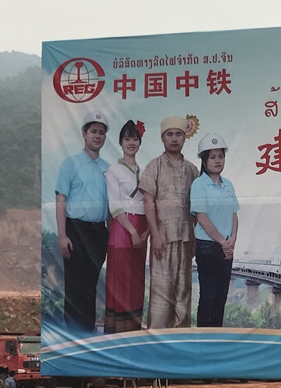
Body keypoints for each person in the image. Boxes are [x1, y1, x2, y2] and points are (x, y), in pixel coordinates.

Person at [139, 115, 200, 329]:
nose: (174, 139)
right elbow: (148, 201)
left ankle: (180, 338)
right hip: (162, 238)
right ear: (162, 138)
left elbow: (196, 208)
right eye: (169, 134)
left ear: (184, 138)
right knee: (161, 290)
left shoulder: (192, 170)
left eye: (178, 134)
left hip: (185, 237)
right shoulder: (153, 166)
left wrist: (194, 237)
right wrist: (155, 235)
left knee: (183, 290)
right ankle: (156, 338)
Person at [55, 111, 110, 333]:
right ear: (84, 134)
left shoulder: (109, 168)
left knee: (90, 286)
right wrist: (62, 235)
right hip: (75, 231)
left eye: (101, 132)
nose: (97, 136)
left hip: (99, 232)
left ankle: (86, 337)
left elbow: (113, 206)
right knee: (75, 287)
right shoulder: (70, 164)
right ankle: (72, 340)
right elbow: (60, 200)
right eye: (93, 131)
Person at [190, 133, 240, 327]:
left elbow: (234, 215)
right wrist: (222, 242)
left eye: (221, 156)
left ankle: (217, 341)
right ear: (204, 160)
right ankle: (202, 345)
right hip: (207, 248)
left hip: (227, 248)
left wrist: (232, 239)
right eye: (213, 157)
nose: (218, 161)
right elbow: (201, 218)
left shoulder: (228, 185)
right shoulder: (199, 184)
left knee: (221, 299)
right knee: (208, 297)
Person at [104, 120, 149, 334]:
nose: (131, 143)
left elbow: (149, 203)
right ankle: (117, 335)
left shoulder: (144, 171)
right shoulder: (113, 171)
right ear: (121, 142)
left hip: (142, 230)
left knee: (137, 282)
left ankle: (133, 331)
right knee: (121, 282)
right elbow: (114, 205)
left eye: (135, 139)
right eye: (127, 139)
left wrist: (146, 232)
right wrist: (132, 231)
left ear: (140, 142)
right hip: (123, 230)